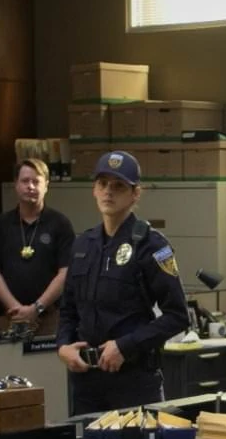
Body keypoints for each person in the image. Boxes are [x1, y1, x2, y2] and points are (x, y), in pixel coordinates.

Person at [57, 151, 187, 413]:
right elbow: (68, 309)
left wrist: (124, 346)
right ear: (94, 190)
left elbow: (177, 316)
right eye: (103, 184)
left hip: (133, 379)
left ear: (135, 194)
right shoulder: (83, 245)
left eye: (118, 186)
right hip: (86, 381)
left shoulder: (152, 245)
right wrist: (63, 346)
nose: (108, 192)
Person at [0, 158, 74, 338]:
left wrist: (37, 308)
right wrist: (15, 308)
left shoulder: (60, 224)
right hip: (10, 316)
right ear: (16, 184)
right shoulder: (2, 224)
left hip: (50, 318)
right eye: (25, 181)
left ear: (46, 185)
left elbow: (66, 272)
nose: (30, 186)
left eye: (36, 181)